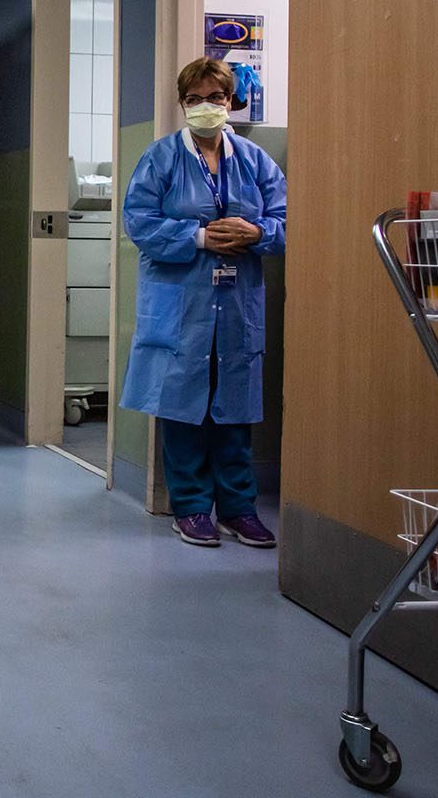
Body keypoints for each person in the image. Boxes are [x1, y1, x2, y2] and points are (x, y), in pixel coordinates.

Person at [121, 57, 286, 548]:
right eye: (195, 100)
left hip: (237, 305)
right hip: (180, 304)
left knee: (234, 408)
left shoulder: (256, 162)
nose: (206, 108)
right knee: (183, 405)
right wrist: (198, 238)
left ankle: (239, 508)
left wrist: (256, 231)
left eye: (215, 98)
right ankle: (191, 506)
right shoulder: (161, 158)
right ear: (182, 105)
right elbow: (140, 222)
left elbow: (287, 222)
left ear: (231, 103)